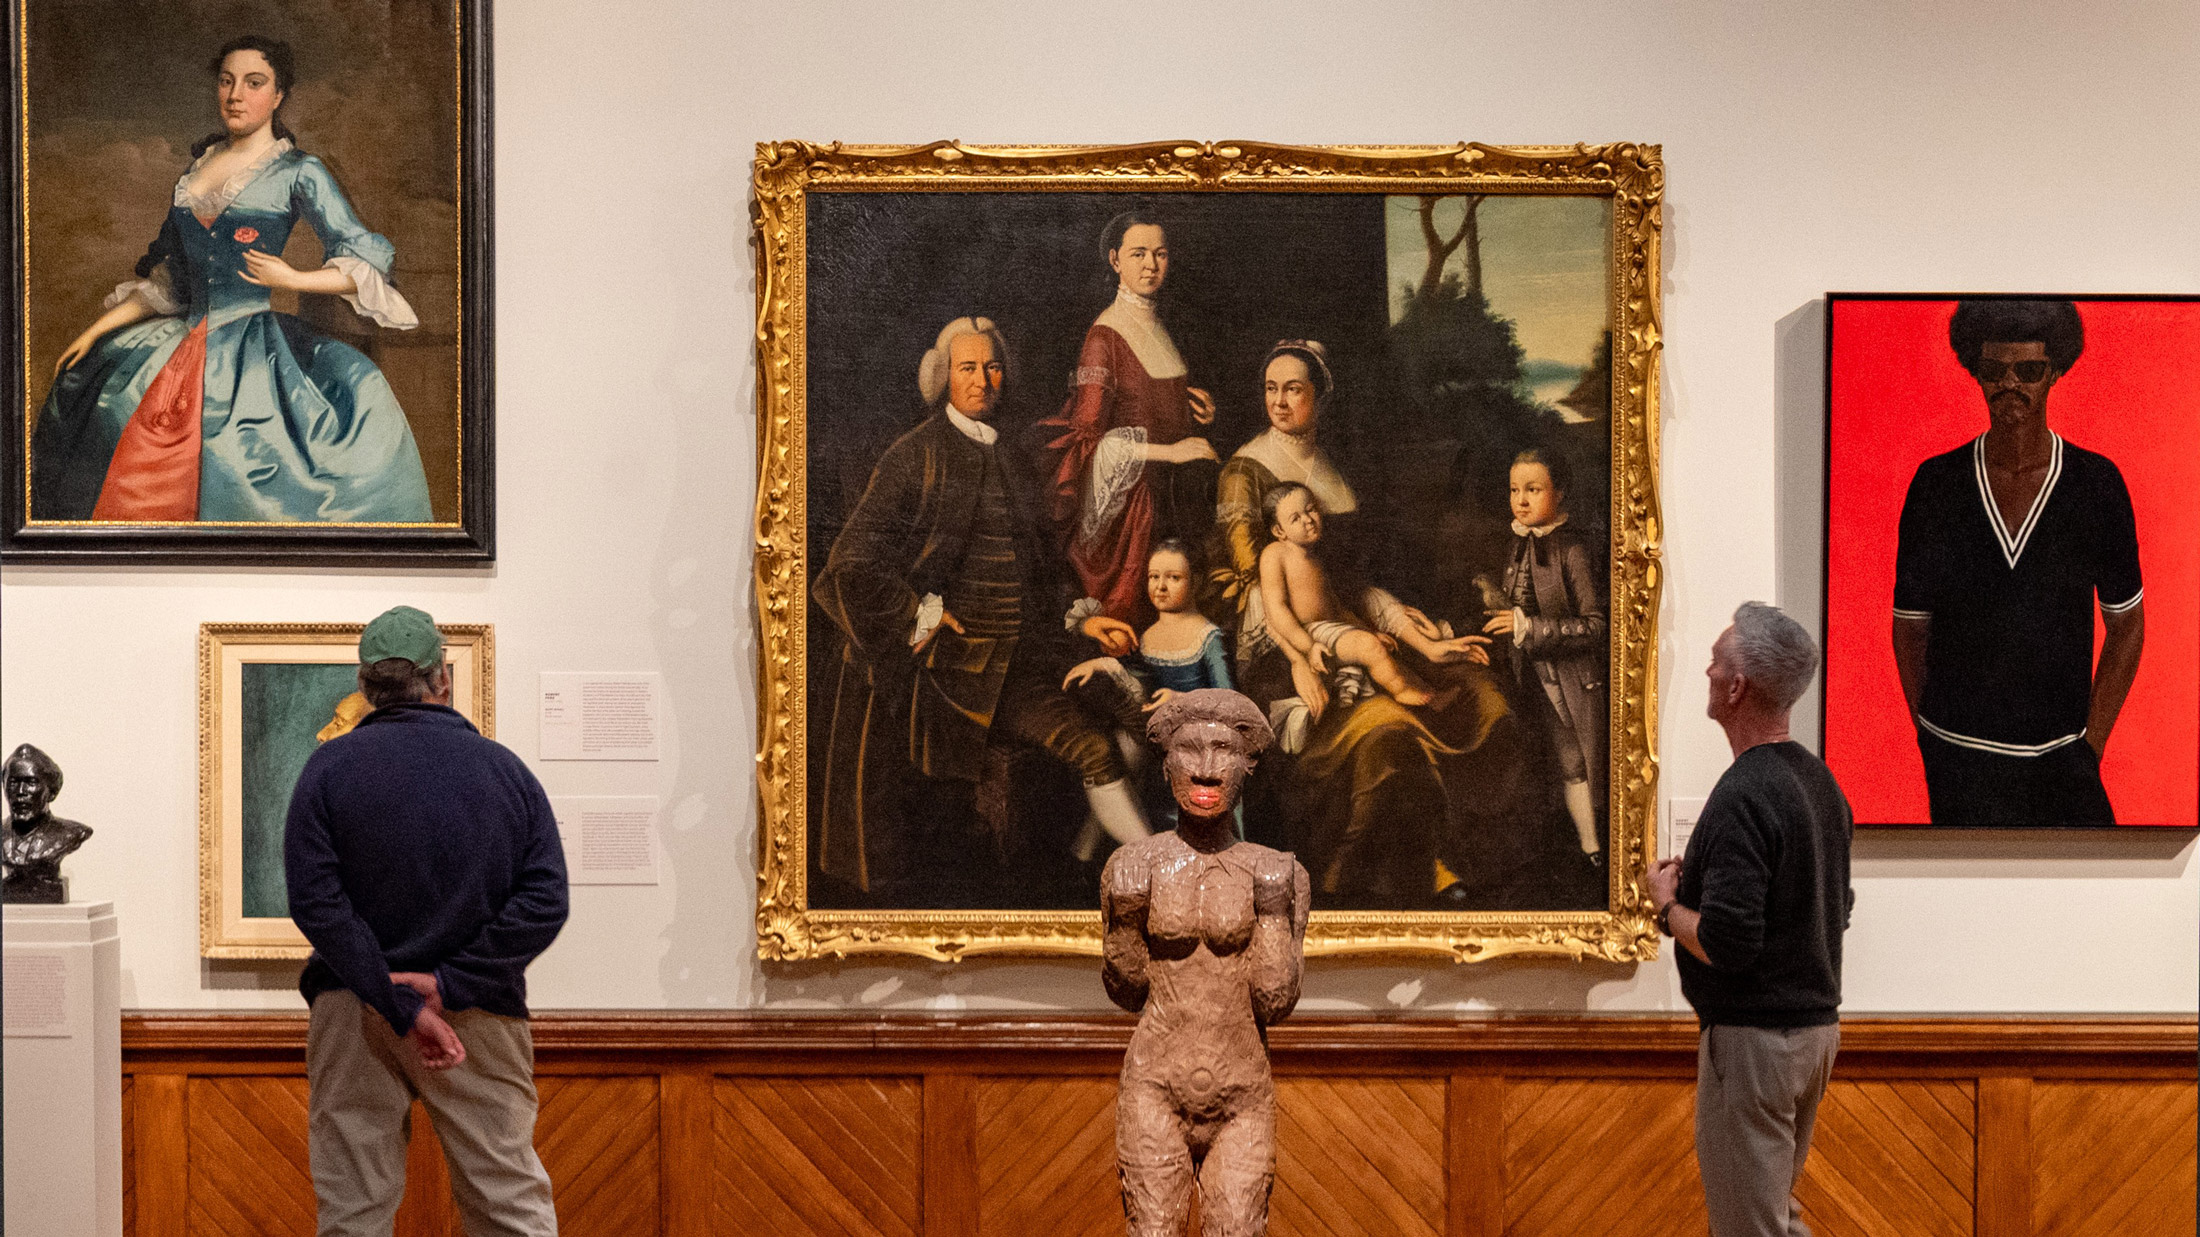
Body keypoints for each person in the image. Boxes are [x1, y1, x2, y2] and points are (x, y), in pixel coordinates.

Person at [32, 35, 432, 523]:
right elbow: (172, 285)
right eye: (226, 82)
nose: (236, 95)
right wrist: (94, 331)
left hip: (252, 347)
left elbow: (366, 256)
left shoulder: (299, 171)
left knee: (243, 458)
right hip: (179, 339)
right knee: (108, 409)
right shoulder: (197, 169)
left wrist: (293, 278)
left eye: (253, 83)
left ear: (279, 95)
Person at [812, 317, 1149, 895]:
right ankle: (1156, 867)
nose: (982, 380)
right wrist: (916, 612)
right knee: (1094, 747)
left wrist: (1084, 616)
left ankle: (1082, 860)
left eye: (992, 367)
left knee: (1135, 721)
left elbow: (1043, 568)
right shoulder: (914, 455)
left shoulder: (1011, 457)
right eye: (967, 367)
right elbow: (850, 563)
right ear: (943, 376)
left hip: (1026, 657)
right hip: (955, 672)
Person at [284, 606, 567, 1236]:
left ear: (365, 687)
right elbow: (545, 900)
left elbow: (317, 904)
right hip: (479, 1018)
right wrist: (449, 985)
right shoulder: (505, 771)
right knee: (508, 1205)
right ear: (441, 679)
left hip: (354, 1010)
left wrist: (393, 999)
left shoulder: (326, 770)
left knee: (354, 1215)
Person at [1215, 339, 1514, 907]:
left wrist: (1411, 630)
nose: (1279, 402)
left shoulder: (1335, 466)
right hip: (1285, 652)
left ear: (1319, 397)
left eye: (1293, 389)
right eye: (1271, 389)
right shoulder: (1244, 472)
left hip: (1352, 626)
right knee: (1386, 731)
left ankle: (1450, 852)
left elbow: (1352, 583)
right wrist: (1300, 660)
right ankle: (1384, 870)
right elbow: (1257, 592)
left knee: (1480, 692)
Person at [1891, 299, 2143, 825]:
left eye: (2028, 370)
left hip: (2061, 759)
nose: (2010, 384)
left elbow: (2127, 626)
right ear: (1976, 372)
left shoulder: (2097, 484)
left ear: (2054, 372)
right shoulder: (1936, 485)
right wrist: (1930, 738)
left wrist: (2090, 748)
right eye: (1994, 370)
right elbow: (1910, 629)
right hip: (1956, 758)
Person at [1648, 602, 1853, 1237]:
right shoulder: (1821, 785)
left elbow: (1727, 943)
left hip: (1756, 1043)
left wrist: (1666, 904)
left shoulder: (1744, 793)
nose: (1707, 670)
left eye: (1716, 660)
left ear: (1736, 687)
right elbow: (1835, 906)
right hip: (1812, 1036)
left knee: (1749, 1228)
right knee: (1774, 1219)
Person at [1103, 689, 1309, 1237]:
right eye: (1190, 750)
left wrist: (1271, 914)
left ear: (1248, 765)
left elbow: (1274, 1001)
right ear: (1166, 763)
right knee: (1152, 1230)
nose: (1206, 768)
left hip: (1242, 1092)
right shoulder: (1133, 864)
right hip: (1155, 1083)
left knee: (1238, 1229)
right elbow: (1125, 991)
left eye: (1223, 750)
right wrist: (1125, 921)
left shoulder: (1279, 872)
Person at [1040, 210, 1220, 623]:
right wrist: (1171, 452)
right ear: (1115, 260)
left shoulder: (1159, 322)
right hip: (1133, 514)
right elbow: (1089, 440)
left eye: (1160, 254)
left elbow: (1153, 399)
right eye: (1138, 254)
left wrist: (1199, 410)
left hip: (1177, 497)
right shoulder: (1103, 337)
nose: (1151, 265)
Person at [1064, 539, 1237, 841]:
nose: (1160, 586)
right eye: (1153, 577)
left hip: (1196, 743)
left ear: (1196, 582)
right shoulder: (1148, 636)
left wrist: (1180, 699)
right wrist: (1103, 664)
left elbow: (1229, 701)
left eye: (1173, 577)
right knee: (1120, 747)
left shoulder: (1208, 638)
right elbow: (1137, 683)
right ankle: (1091, 845)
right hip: (1156, 741)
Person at [1485, 447, 1607, 865]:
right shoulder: (1516, 544)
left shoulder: (1572, 551)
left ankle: (1591, 848)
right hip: (1524, 676)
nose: (1521, 500)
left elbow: (1595, 626)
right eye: (1514, 490)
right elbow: (1510, 609)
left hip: (1565, 682)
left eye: (1533, 490)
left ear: (1560, 493)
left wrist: (1529, 629)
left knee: (1573, 763)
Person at [1259, 482, 1482, 708]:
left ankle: (1429, 694)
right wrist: (1308, 646)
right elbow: (1276, 609)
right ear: (1279, 531)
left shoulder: (1314, 558)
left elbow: (1337, 609)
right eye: (1296, 518)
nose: (1308, 519)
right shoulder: (1274, 555)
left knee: (1379, 646)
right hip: (1308, 633)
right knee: (1370, 647)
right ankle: (1402, 691)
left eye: (1311, 509)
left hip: (1330, 628)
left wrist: (1369, 630)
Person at [3, 743, 93, 904]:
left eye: (31, 782)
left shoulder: (70, 833)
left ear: (52, 792)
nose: (20, 792)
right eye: (13, 782)